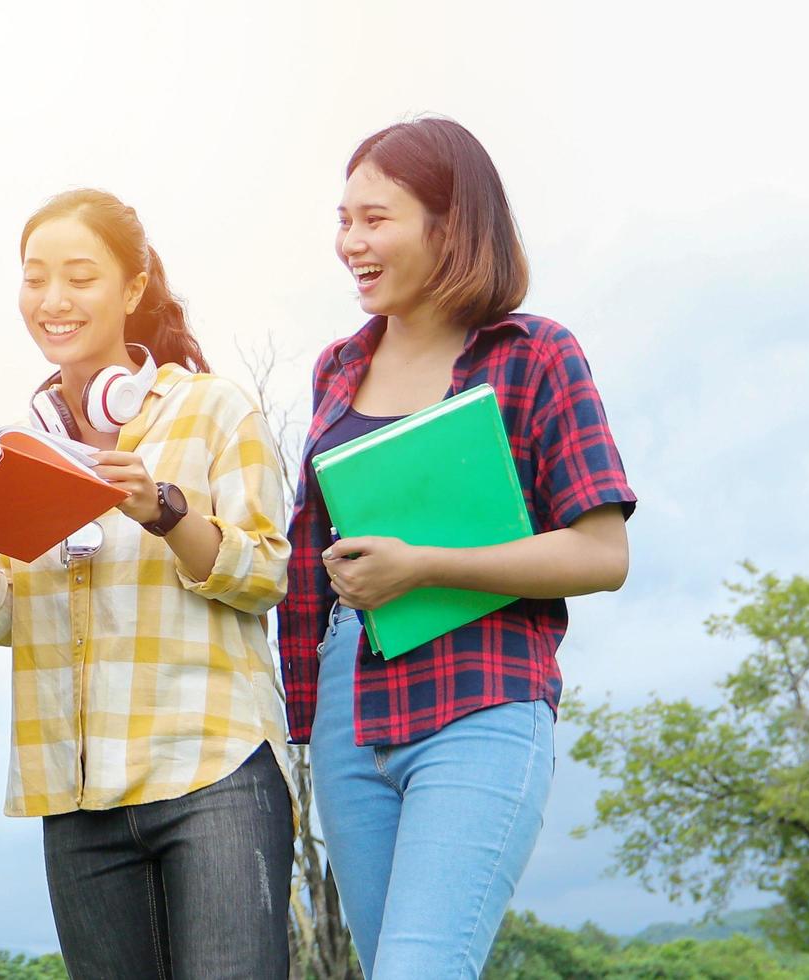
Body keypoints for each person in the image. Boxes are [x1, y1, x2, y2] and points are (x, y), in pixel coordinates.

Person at [278, 117, 637, 978]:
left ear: (449, 223)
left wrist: (427, 565)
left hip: (480, 693)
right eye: (342, 220)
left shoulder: (534, 354)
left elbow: (601, 553)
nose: (349, 243)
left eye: (375, 219)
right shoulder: (337, 367)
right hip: (348, 705)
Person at [0, 188, 296, 979]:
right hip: (77, 799)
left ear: (131, 289)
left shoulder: (213, 409)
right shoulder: (24, 451)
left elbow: (264, 573)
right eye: (34, 278)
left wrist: (161, 509)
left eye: (79, 277)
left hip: (211, 775)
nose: (52, 300)